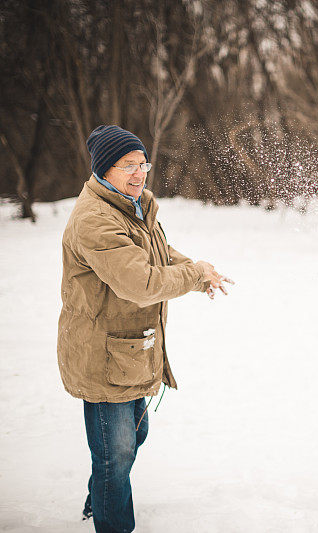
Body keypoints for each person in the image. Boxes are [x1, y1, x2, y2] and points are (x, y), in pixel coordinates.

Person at [58, 125, 233, 533]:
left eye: (143, 164)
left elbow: (159, 254)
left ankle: (98, 495)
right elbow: (141, 283)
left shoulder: (135, 205)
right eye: (128, 165)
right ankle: (112, 522)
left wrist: (199, 272)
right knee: (114, 453)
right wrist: (192, 275)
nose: (139, 174)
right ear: (104, 169)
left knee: (131, 438)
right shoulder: (95, 221)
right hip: (102, 353)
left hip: (132, 349)